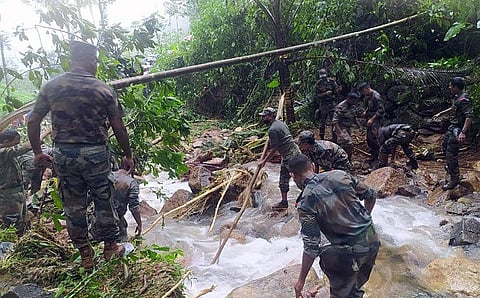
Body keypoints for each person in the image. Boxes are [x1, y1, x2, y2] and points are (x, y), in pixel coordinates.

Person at [27, 40, 134, 270]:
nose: (96, 65)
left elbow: (33, 120)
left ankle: (85, 255)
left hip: (64, 154)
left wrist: (38, 152)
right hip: (96, 154)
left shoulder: (52, 87)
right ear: (90, 61)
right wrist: (127, 154)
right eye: (95, 61)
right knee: (103, 200)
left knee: (73, 205)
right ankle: (109, 248)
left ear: (71, 60)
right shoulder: (103, 89)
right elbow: (118, 127)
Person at [288, 154, 380, 298]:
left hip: (350, 252)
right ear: (312, 166)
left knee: (328, 257)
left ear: (293, 176)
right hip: (373, 240)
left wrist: (301, 281)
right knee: (355, 289)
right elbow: (371, 195)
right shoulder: (340, 175)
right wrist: (366, 218)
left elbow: (311, 245)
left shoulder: (305, 202)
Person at [0, 129, 50, 236]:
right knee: (13, 224)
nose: (15, 146)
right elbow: (25, 147)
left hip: (17, 192)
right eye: (14, 143)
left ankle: (22, 241)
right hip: (8, 195)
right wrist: (44, 133)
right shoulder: (2, 153)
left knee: (24, 222)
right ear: (5, 142)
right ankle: (11, 246)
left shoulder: (6, 153)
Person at [433, 77, 473, 190]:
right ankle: (450, 167)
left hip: (458, 129)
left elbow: (469, 116)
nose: (449, 87)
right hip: (453, 127)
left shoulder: (464, 99)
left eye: (451, 85)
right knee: (445, 146)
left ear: (456, 87)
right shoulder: (458, 98)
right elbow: (453, 108)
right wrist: (440, 113)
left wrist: (463, 132)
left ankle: (454, 179)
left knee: (451, 153)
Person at [258, 107, 301, 210]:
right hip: (288, 155)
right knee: (283, 179)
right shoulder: (280, 123)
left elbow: (274, 149)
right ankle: (284, 202)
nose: (263, 118)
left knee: (299, 179)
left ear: (270, 116)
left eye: (265, 116)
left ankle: (311, 199)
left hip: (292, 157)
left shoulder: (273, 129)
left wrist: (264, 161)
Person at [89, 168, 142, 242]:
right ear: (131, 167)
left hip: (97, 218)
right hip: (115, 224)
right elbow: (134, 207)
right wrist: (139, 224)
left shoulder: (106, 176)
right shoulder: (131, 183)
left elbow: (89, 196)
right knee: (122, 245)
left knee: (95, 242)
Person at [357, 82, 386, 164]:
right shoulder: (369, 96)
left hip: (377, 121)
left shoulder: (376, 96)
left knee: (375, 139)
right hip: (370, 118)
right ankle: (373, 156)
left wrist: (372, 120)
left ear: (366, 89)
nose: (362, 94)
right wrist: (366, 112)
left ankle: (378, 158)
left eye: (362, 92)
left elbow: (381, 110)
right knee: (369, 139)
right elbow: (370, 106)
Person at [332, 92, 362, 161]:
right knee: (348, 144)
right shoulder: (341, 107)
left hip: (348, 127)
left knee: (346, 145)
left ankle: (347, 160)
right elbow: (335, 121)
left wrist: (359, 126)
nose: (355, 102)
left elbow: (354, 116)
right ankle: (342, 160)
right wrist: (340, 133)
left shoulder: (352, 105)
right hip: (340, 127)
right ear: (348, 99)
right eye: (353, 101)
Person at [314, 69, 339, 140]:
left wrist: (336, 101)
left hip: (332, 104)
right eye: (322, 77)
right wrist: (325, 94)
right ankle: (322, 138)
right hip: (323, 105)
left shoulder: (332, 82)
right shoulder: (318, 84)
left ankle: (334, 138)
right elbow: (316, 96)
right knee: (322, 123)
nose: (323, 78)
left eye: (324, 76)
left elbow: (336, 93)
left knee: (334, 122)